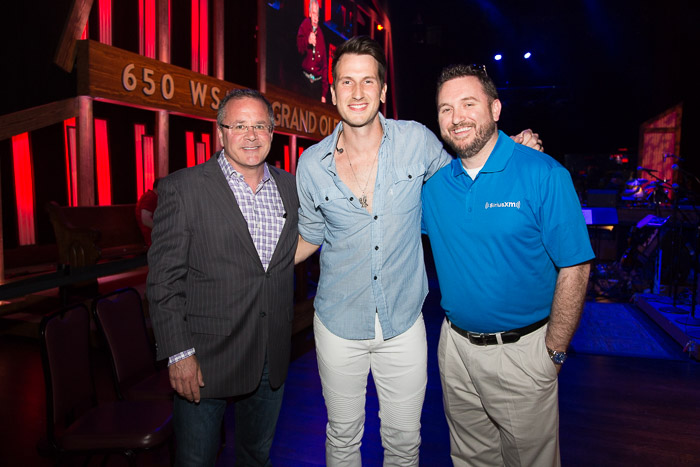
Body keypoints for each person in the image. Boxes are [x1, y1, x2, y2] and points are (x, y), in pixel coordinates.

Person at [294, 36, 543, 466]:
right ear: (332, 91)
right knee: (341, 437)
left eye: (367, 81)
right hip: (337, 324)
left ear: (383, 91)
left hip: (403, 324)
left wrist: (513, 148)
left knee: (405, 441)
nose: (357, 93)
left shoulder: (417, 141)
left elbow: (469, 170)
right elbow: (310, 235)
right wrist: (256, 260)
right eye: (346, 82)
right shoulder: (310, 165)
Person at [421, 64, 594, 466]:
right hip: (455, 351)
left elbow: (576, 267)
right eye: (446, 109)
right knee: (469, 458)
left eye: (468, 103)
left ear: (495, 109)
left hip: (522, 353)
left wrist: (554, 352)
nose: (457, 117)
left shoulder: (544, 174)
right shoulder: (434, 189)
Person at [147, 88, 299, 466]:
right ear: (220, 132)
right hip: (204, 359)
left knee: (256, 456)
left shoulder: (291, 189)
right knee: (196, 459)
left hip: (269, 355)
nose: (251, 135)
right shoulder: (183, 189)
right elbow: (163, 281)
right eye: (239, 125)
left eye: (260, 126)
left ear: (272, 132)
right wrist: (178, 353)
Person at [296, 0, 328, 103]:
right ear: (309, 14)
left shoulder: (322, 35)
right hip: (304, 82)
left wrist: (324, 94)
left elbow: (324, 66)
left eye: (317, 14)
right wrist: (307, 41)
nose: (315, 17)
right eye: (313, 13)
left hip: (317, 86)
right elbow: (299, 50)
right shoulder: (304, 26)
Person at [135, 178, 160, 246]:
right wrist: (162, 229)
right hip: (153, 238)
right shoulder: (151, 197)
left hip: (153, 236)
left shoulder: (150, 196)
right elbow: (145, 220)